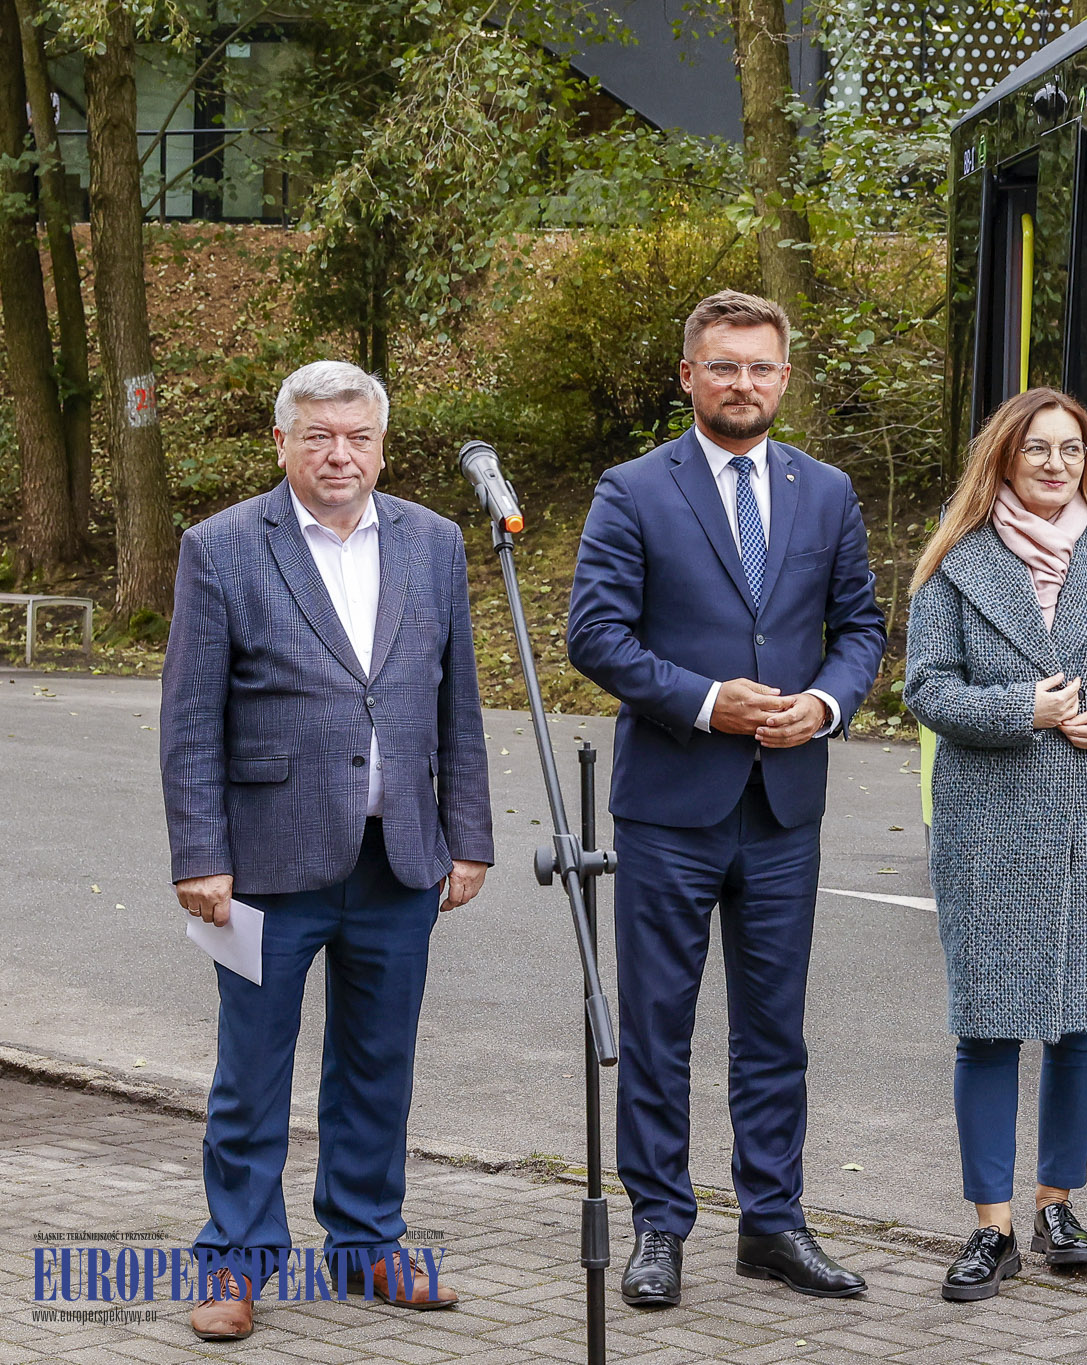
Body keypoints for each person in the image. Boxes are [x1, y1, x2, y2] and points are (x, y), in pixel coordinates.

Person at [160, 360, 494, 1341]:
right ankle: (236, 1260)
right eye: (318, 436)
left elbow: (456, 706)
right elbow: (188, 725)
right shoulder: (220, 549)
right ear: (283, 442)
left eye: (357, 436)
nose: (339, 454)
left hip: (399, 858)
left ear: (382, 444)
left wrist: (465, 836)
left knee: (378, 1065)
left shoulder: (432, 543)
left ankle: (365, 1241)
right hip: (261, 864)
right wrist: (198, 856)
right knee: (251, 1074)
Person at [566, 290, 887, 1307]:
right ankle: (658, 1225)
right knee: (658, 1025)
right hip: (670, 803)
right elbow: (597, 637)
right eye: (722, 366)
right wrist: (708, 703)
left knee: (774, 1031)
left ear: (783, 379)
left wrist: (828, 706)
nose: (741, 383)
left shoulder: (825, 491)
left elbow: (860, 629)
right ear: (688, 376)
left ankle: (773, 1226)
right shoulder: (631, 490)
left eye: (759, 367)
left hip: (785, 807)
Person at [903, 387, 1087, 1302]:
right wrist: (1027, 710)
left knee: (1085, 1019)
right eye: (1037, 451)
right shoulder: (956, 564)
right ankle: (992, 1225)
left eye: (1070, 450)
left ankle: (1058, 1200)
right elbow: (926, 690)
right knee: (987, 1025)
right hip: (989, 824)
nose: (1055, 465)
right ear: (1004, 461)